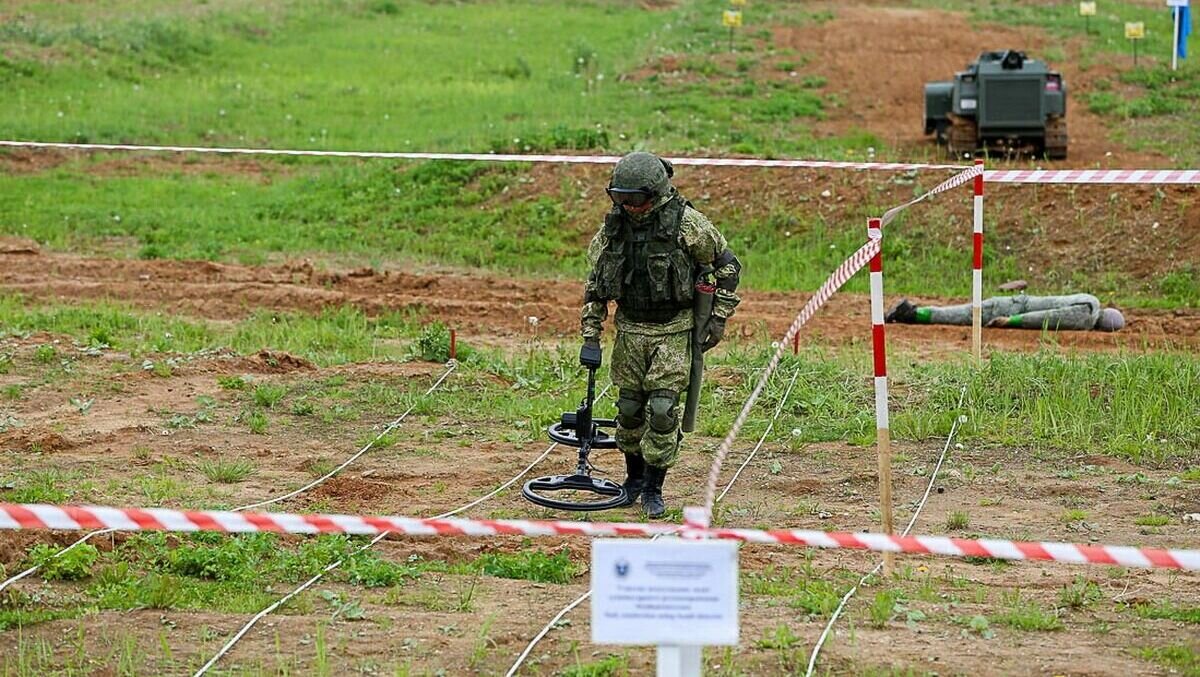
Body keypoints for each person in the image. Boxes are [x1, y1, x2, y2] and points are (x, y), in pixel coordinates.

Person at [579, 151, 742, 518]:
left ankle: (654, 488)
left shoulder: (686, 223)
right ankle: (632, 481)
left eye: (635, 199)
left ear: (655, 194)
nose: (629, 207)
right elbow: (596, 285)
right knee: (630, 411)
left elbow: (728, 267)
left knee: (663, 410)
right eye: (620, 198)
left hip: (673, 330)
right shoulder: (613, 231)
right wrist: (591, 336)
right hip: (630, 331)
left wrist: (717, 319)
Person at [885, 293, 1125, 331]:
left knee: (964, 312)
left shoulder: (1091, 300)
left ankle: (913, 312)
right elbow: (1047, 318)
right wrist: (1012, 321)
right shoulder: (1084, 316)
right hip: (1010, 308)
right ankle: (911, 314)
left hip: (1014, 301)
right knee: (962, 315)